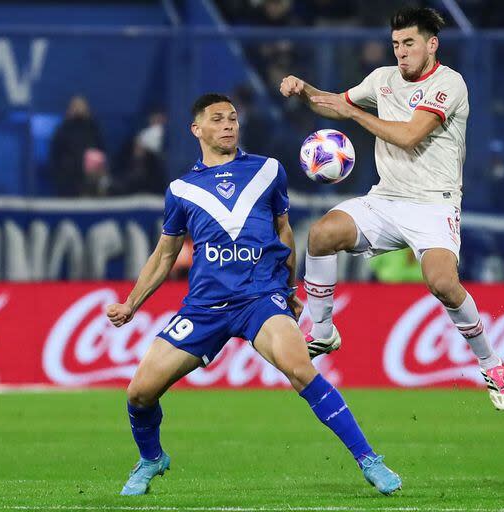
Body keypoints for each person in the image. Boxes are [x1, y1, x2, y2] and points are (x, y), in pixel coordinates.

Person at [106, 93, 401, 496]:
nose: (228, 125)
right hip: (205, 306)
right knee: (139, 392)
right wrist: (131, 304)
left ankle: (370, 460)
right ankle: (152, 458)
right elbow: (165, 255)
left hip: (259, 298)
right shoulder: (181, 189)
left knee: (301, 371)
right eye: (217, 119)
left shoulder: (267, 171)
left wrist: (289, 287)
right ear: (197, 130)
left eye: (232, 118)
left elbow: (284, 231)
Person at [279, 6, 504, 411]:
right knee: (321, 235)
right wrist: (306, 92)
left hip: (433, 205)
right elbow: (336, 103)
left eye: (409, 43)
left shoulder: (449, 84)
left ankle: (491, 364)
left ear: (431, 44)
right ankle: (322, 330)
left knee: (441, 282)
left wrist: (353, 112)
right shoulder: (383, 79)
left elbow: (408, 136)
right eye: (396, 45)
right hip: (386, 198)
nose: (401, 52)